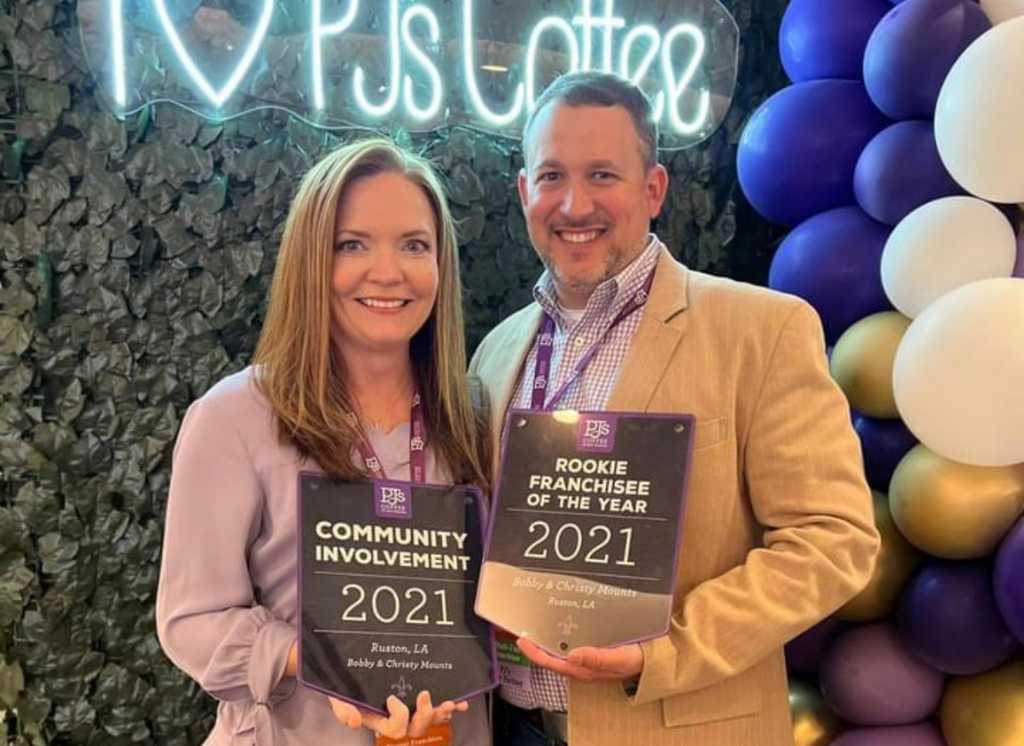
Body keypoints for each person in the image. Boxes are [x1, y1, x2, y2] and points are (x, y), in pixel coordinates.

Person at [469, 72, 880, 746]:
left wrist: (660, 651)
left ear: (653, 189)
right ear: (524, 195)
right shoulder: (496, 351)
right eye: (551, 177)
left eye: (603, 175)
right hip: (509, 726)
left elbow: (831, 540)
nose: (574, 203)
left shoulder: (761, 330)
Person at [157, 139, 492, 746]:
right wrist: (322, 657)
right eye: (352, 244)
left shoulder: (472, 414)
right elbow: (190, 622)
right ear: (311, 260)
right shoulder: (233, 418)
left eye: (414, 245)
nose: (388, 272)